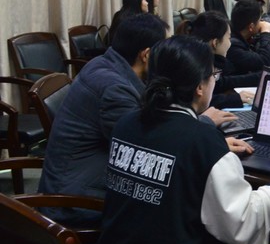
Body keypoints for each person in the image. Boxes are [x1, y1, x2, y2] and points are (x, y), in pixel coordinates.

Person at [94, 36, 270, 244]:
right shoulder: (203, 141)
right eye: (214, 75)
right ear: (200, 87)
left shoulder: (126, 123)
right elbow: (244, 221)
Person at [39, 14, 240, 226]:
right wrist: (204, 133)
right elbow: (150, 144)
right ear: (146, 55)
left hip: (83, 177)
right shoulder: (114, 89)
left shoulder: (105, 64)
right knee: (190, 199)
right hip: (76, 200)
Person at [178, 10, 260, 109]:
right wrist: (232, 99)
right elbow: (194, 101)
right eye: (229, 38)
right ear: (215, 43)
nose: (230, 43)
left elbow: (221, 82)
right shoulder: (192, 65)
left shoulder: (203, 59)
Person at [227, 0, 270, 73]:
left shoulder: (242, 36)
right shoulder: (233, 45)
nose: (262, 22)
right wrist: (266, 33)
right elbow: (264, 61)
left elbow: (257, 57)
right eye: (260, 20)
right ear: (251, 27)